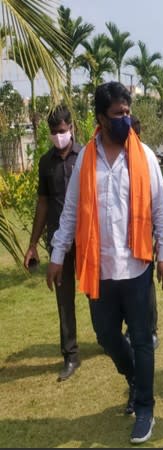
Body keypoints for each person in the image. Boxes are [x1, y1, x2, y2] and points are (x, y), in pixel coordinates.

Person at [47, 81, 163, 445]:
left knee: (143, 339)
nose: (125, 118)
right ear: (101, 118)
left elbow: (161, 208)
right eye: (118, 114)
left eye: (127, 112)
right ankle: (134, 377)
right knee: (106, 336)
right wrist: (57, 256)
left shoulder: (144, 156)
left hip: (136, 267)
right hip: (99, 269)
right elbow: (71, 213)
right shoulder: (87, 157)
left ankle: (146, 408)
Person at [24, 105, 82, 382]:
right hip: (58, 241)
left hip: (87, 238)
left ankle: (110, 339)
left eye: (62, 131)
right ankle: (70, 355)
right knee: (63, 299)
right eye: (54, 132)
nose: (58, 136)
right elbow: (43, 203)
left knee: (100, 291)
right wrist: (33, 243)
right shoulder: (46, 163)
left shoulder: (85, 156)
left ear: (71, 128)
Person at [125, 114, 159, 350]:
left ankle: (151, 328)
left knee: (146, 285)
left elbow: (156, 201)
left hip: (145, 233)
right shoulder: (118, 155)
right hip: (126, 236)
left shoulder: (145, 155)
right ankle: (132, 328)